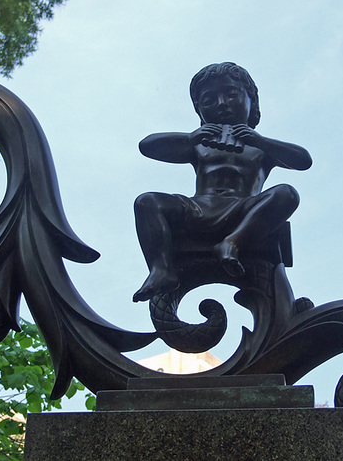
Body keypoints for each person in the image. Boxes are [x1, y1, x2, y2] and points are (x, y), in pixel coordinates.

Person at [133, 62, 312, 302]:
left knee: (287, 194)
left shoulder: (259, 147)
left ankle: (232, 242)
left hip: (244, 209)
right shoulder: (199, 143)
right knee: (147, 202)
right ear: (200, 111)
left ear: (252, 102)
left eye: (231, 95)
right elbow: (148, 146)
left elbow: (303, 160)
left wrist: (262, 142)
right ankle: (161, 269)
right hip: (199, 207)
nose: (222, 104)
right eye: (209, 101)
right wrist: (189, 139)